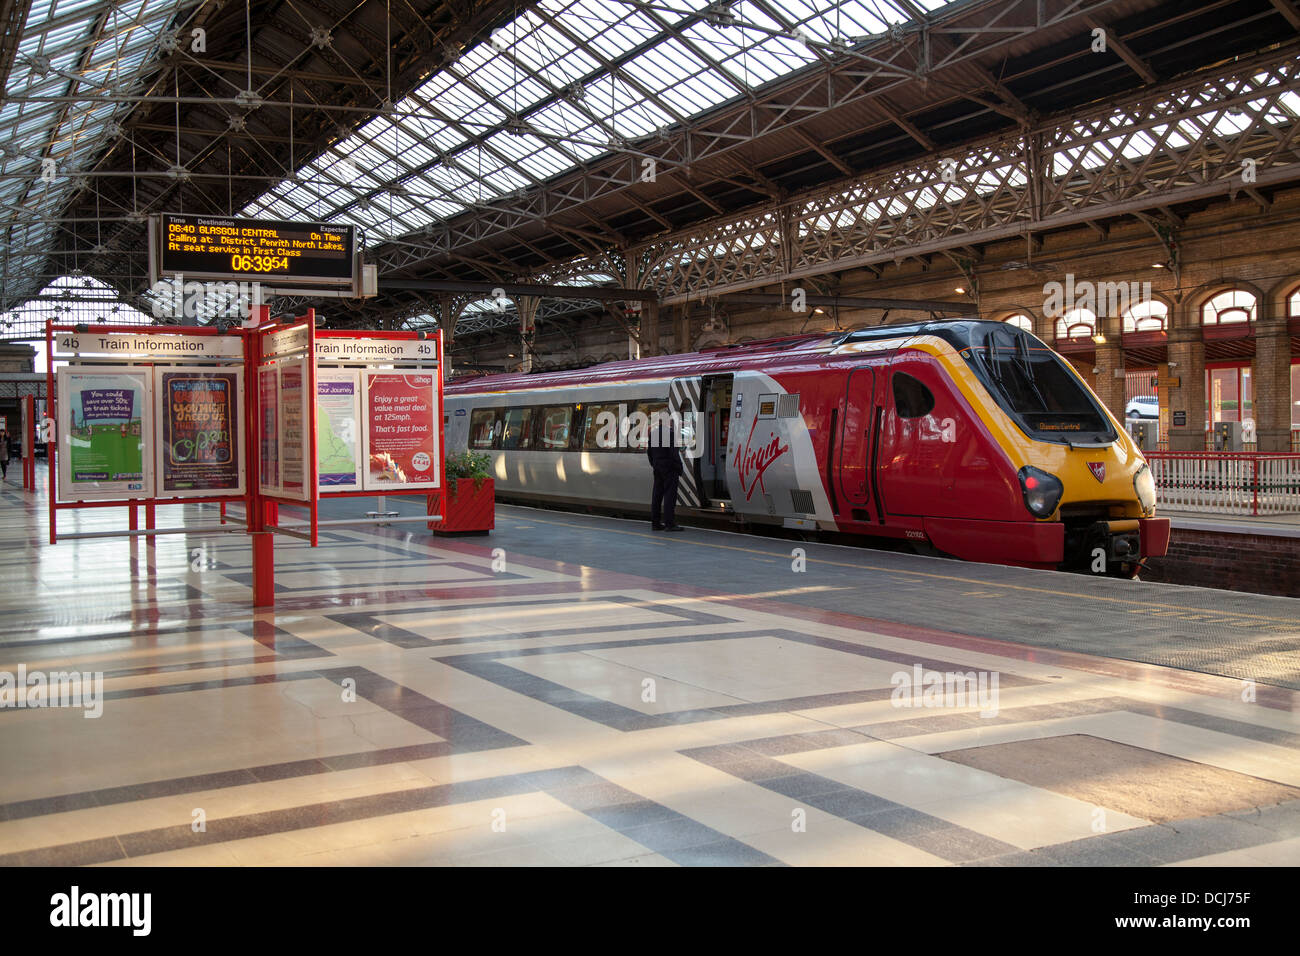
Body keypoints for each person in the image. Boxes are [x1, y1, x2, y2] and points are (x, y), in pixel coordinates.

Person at [648, 411, 684, 532]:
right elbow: (673, 453)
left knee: (657, 495)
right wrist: (679, 467)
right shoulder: (670, 434)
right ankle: (669, 523)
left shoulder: (653, 434)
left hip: (658, 468)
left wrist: (654, 464)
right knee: (670, 496)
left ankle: (655, 523)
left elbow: (650, 452)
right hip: (669, 468)